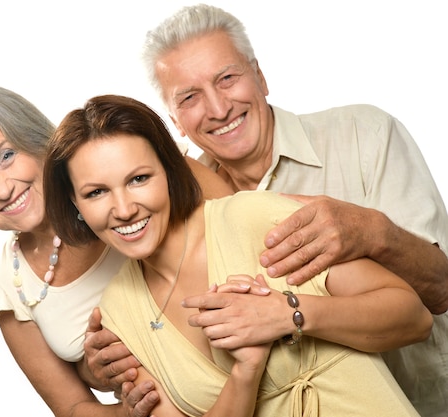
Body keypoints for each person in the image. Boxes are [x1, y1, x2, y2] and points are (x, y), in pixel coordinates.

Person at [84, 5, 448, 416]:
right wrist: (110, 368)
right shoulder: (188, 213)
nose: (218, 109)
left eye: (227, 78)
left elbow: (440, 290)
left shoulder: (364, 136)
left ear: (260, 76)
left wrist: (374, 233)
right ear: (176, 123)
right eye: (189, 97)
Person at [43, 93, 432, 416]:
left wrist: (289, 314)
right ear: (75, 204)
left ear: (170, 171)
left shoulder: (251, 217)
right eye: (96, 192)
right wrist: (245, 372)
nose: (124, 208)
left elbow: (413, 318)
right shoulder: (118, 315)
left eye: (139, 179)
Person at [0, 83, 233, 417]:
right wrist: (124, 402)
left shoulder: (135, 166)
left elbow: (251, 225)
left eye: (6, 156)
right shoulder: (11, 285)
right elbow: (73, 408)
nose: (3, 189)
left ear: (34, 140)